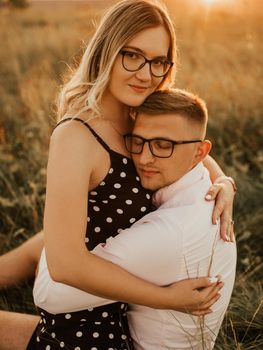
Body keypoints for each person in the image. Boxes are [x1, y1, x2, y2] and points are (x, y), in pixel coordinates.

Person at [0, 0, 236, 349]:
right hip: (84, 320)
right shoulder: (77, 136)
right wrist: (166, 298)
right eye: (132, 55)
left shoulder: (144, 113)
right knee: (45, 245)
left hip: (124, 311)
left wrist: (223, 181)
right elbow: (64, 265)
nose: (146, 74)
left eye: (158, 61)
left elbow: (192, 150)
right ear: (105, 52)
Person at [33, 88, 237, 349]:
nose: (144, 158)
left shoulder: (170, 233)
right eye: (138, 142)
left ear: (199, 152)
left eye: (164, 145)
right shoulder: (201, 190)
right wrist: (225, 180)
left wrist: (71, 216)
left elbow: (47, 293)